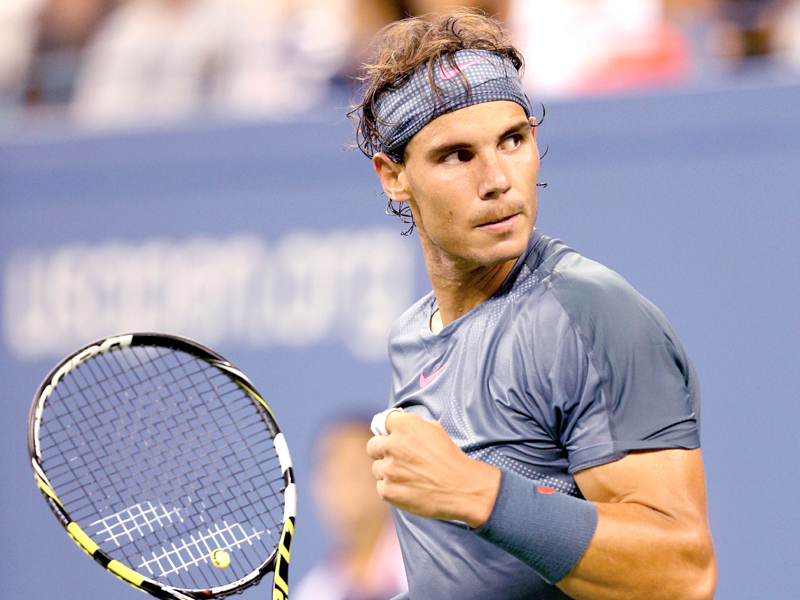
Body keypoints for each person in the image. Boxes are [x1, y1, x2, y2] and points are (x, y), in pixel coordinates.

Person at [356, 9, 716, 600]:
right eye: (457, 155)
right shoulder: (411, 335)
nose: (499, 179)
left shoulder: (591, 316)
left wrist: (475, 492)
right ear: (393, 177)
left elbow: (682, 572)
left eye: (513, 140)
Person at [294, 415, 407, 600]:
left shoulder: (427, 567)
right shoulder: (311, 593)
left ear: (388, 475)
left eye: (353, 471)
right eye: (330, 475)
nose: (339, 487)